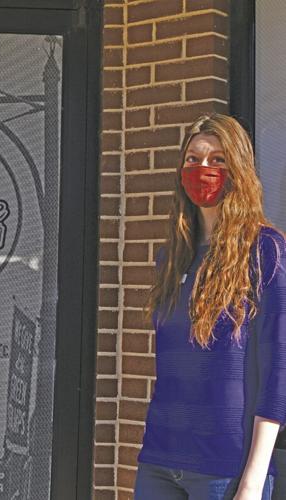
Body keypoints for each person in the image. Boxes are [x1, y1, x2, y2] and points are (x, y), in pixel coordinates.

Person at [134, 114, 286, 500]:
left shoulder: (265, 250)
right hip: (159, 463)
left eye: (218, 160)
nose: (204, 169)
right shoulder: (173, 257)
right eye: (193, 159)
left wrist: (253, 480)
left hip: (226, 468)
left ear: (238, 170)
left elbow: (278, 369)